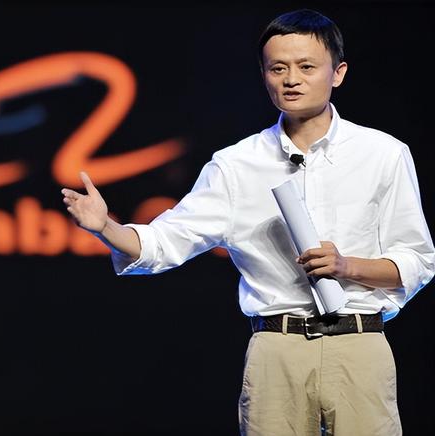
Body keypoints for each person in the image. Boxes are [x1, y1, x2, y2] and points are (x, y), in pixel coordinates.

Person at [61, 8, 434, 436]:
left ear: (338, 73)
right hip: (276, 348)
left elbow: (417, 261)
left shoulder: (383, 154)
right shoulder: (236, 165)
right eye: (278, 68)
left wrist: (347, 266)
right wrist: (106, 227)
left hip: (360, 344)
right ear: (264, 75)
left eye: (306, 67)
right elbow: (166, 241)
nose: (291, 79)